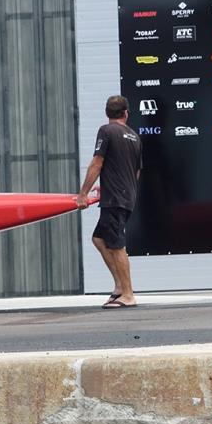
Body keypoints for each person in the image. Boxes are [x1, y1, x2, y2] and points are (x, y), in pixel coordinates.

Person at [76, 95, 142, 309]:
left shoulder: (107, 131)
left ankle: (128, 294)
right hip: (124, 195)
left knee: (116, 245)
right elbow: (135, 171)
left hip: (115, 198)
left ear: (107, 113)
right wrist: (109, 187)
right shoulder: (134, 136)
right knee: (99, 239)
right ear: (126, 113)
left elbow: (97, 163)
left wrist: (83, 193)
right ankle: (119, 286)